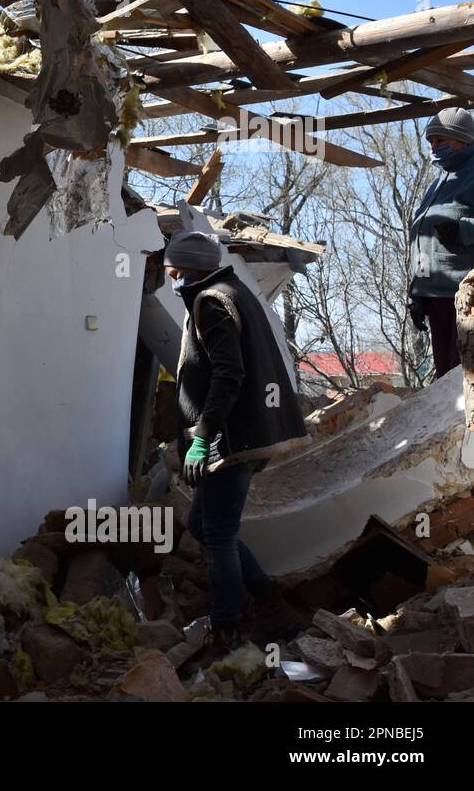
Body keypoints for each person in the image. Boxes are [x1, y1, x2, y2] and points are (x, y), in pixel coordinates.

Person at [166, 230, 309, 647]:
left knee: (219, 534)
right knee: (204, 525)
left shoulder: (212, 302)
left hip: (232, 438)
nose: (171, 279)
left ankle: (227, 625)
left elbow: (229, 375)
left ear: (188, 268)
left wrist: (201, 437)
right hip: (249, 432)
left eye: (173, 270)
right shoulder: (235, 290)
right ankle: (266, 595)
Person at [407, 107, 474, 378]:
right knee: (445, 379)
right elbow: (422, 239)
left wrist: (463, 231)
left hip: (466, 297)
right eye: (431, 141)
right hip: (436, 295)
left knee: (462, 379)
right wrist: (417, 292)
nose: (433, 147)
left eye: (440, 140)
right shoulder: (438, 183)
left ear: (463, 140)